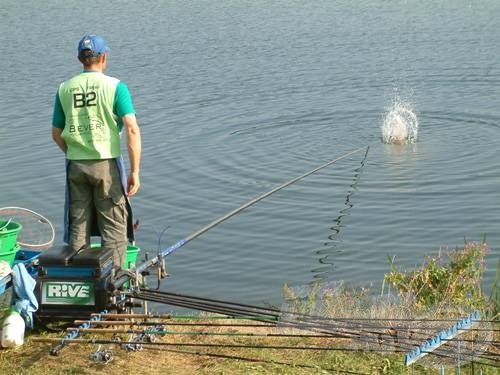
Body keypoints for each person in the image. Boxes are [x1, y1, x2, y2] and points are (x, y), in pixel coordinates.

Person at [51, 34, 141, 271]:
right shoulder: (115, 87)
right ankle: (115, 287)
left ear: (80, 58)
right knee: (113, 228)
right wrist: (135, 171)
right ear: (103, 57)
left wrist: (73, 151)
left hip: (75, 165)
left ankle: (78, 286)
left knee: (78, 227)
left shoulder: (64, 88)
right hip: (107, 165)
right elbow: (131, 128)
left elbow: (56, 132)